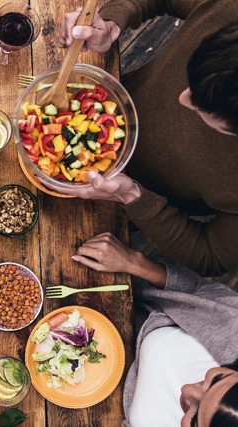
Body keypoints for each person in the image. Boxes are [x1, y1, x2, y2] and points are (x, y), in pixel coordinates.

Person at [48, 0, 238, 277]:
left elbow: (210, 256)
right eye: (190, 80)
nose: (182, 98)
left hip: (131, 206)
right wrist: (111, 23)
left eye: (201, 106)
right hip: (106, 103)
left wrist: (132, 196)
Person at [72, 232, 238, 426]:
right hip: (116, 305)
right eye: (216, 379)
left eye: (194, 419)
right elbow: (195, 290)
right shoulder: (233, 326)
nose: (186, 390)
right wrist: (133, 262)